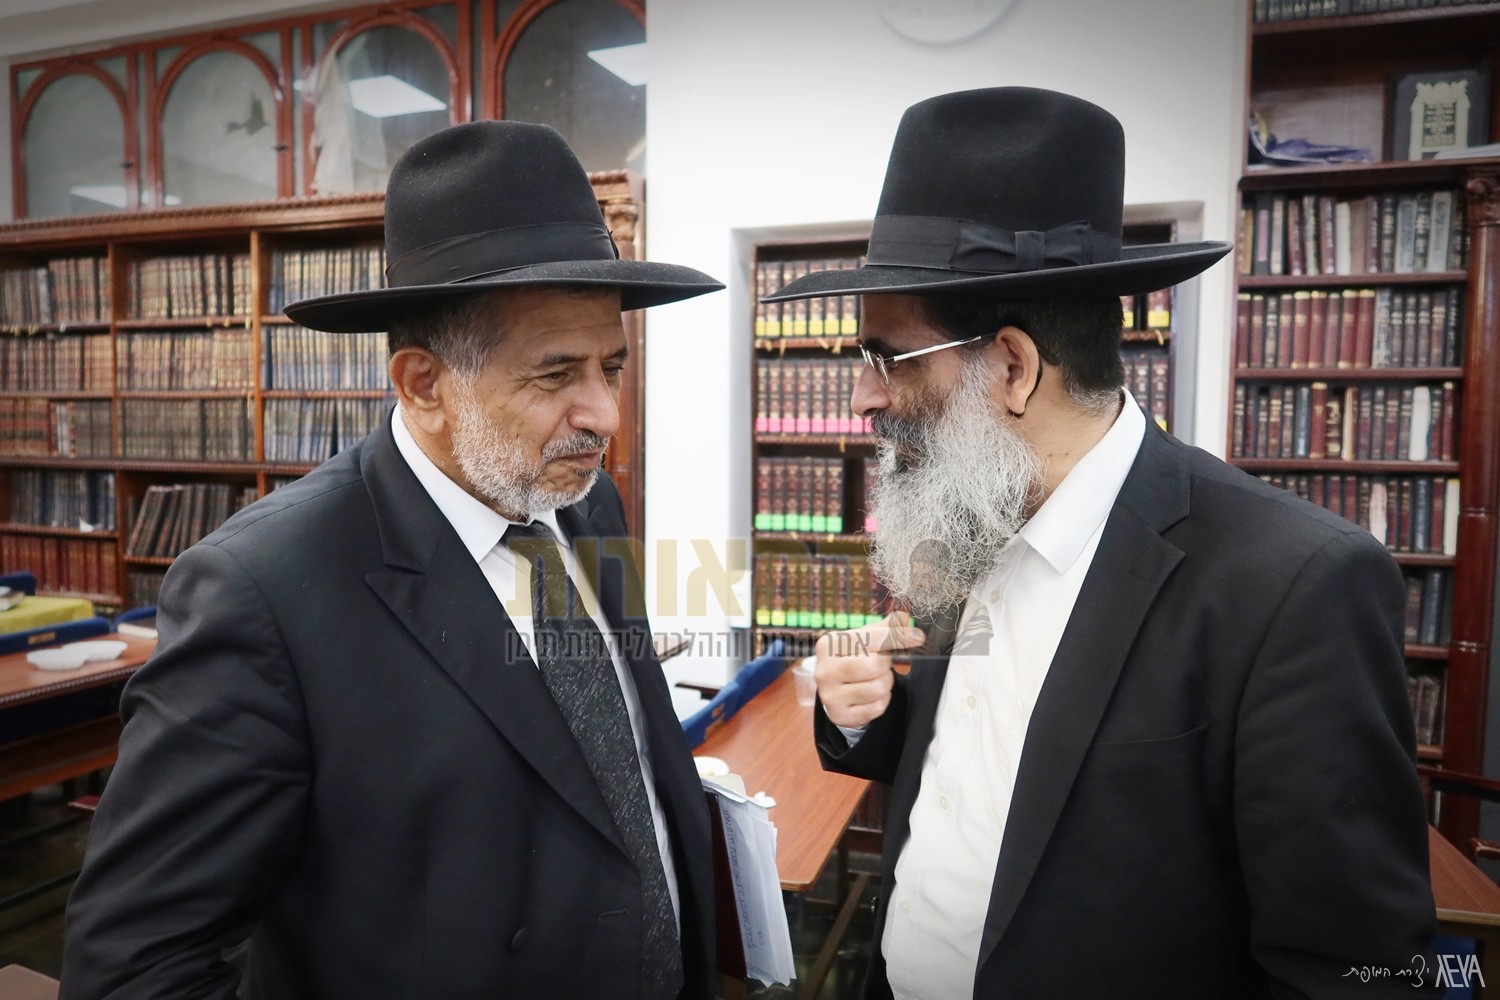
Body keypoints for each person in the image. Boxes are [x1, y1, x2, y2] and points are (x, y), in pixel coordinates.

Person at [768, 88, 1436, 998]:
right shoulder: (972, 513)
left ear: (1012, 367)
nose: (862, 399)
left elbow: (1356, 966)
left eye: (887, 358)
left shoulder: (1291, 584)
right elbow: (995, 764)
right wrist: (870, 717)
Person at [61, 121, 724, 1000]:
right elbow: (134, 965)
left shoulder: (583, 501)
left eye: (612, 366)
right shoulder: (265, 591)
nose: (603, 413)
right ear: (424, 384)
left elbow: (601, 763)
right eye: (555, 374)